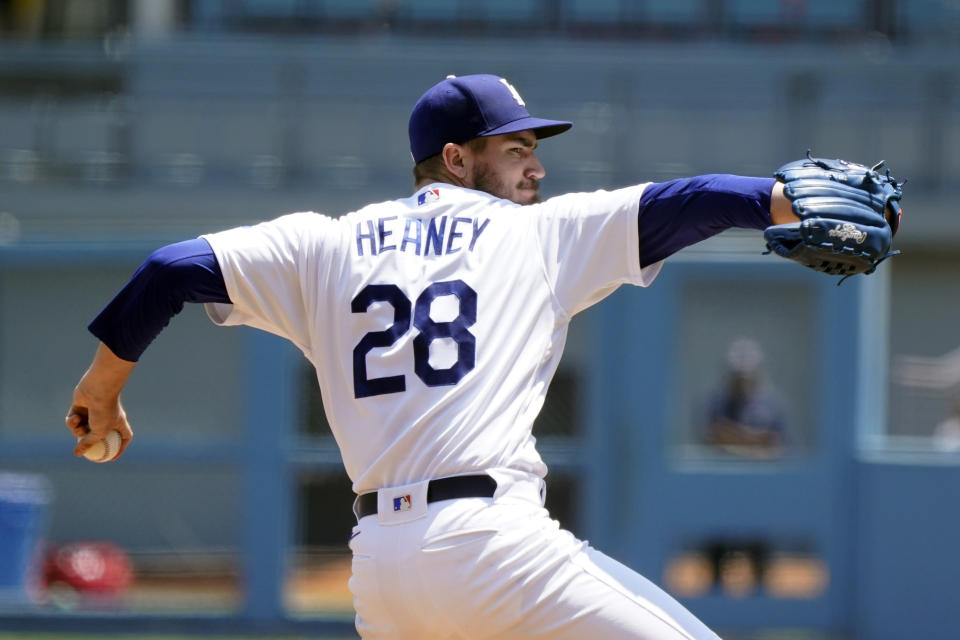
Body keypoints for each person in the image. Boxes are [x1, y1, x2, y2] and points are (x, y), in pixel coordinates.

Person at [64, 74, 868, 639]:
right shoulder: (536, 233)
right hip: (493, 545)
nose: (537, 166)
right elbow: (683, 203)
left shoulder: (326, 243)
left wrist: (103, 388)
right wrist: (775, 198)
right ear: (457, 159)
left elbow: (169, 270)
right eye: (517, 149)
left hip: (380, 567)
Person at [702, 337, 788, 459]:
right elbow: (712, 437)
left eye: (747, 377)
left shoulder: (772, 406)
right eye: (738, 376)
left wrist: (734, 436)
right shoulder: (716, 403)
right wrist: (755, 440)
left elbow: (778, 445)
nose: (743, 382)